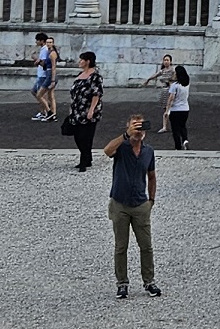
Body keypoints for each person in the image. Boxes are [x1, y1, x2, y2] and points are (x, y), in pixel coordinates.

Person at [103, 114, 164, 298]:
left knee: (146, 246)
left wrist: (151, 200)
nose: (138, 132)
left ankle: (149, 281)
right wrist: (125, 136)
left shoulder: (148, 151)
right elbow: (107, 151)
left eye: (141, 128)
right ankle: (122, 283)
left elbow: (152, 176)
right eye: (134, 127)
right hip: (120, 203)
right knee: (121, 246)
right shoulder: (121, 147)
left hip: (140, 204)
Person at [65, 51, 105, 171]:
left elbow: (96, 94)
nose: (79, 62)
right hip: (77, 109)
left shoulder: (95, 76)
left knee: (85, 136)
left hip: (88, 110)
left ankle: (84, 161)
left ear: (87, 61)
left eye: (81, 60)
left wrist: (91, 110)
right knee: (77, 135)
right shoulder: (80, 74)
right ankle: (87, 157)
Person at [30, 32, 58, 121]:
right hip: (45, 74)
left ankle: (47, 112)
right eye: (48, 42)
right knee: (48, 95)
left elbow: (51, 66)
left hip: (45, 75)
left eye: (50, 42)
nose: (48, 44)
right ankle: (50, 112)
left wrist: (36, 59)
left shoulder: (50, 52)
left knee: (41, 95)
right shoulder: (48, 51)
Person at [164, 64, 192, 150]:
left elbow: (171, 99)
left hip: (175, 109)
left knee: (175, 129)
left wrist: (167, 110)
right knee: (183, 126)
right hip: (185, 108)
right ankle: (185, 140)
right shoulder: (187, 84)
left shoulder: (174, 86)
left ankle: (178, 147)